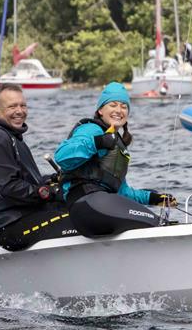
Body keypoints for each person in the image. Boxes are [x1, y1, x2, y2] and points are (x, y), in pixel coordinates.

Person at [54, 82, 177, 237]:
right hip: (87, 203)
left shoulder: (117, 142)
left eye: (124, 106)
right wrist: (98, 142)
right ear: (100, 110)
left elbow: (122, 192)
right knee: (156, 223)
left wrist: (153, 198)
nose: (119, 110)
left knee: (154, 222)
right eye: (113, 105)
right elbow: (62, 156)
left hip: (102, 206)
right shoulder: (91, 129)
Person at [0, 83, 72, 251]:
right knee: (82, 216)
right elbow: (9, 187)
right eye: (12, 106)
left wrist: (52, 180)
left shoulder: (12, 137)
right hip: (11, 227)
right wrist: (48, 192)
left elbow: (27, 182)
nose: (20, 111)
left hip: (22, 217)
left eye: (23, 105)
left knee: (76, 203)